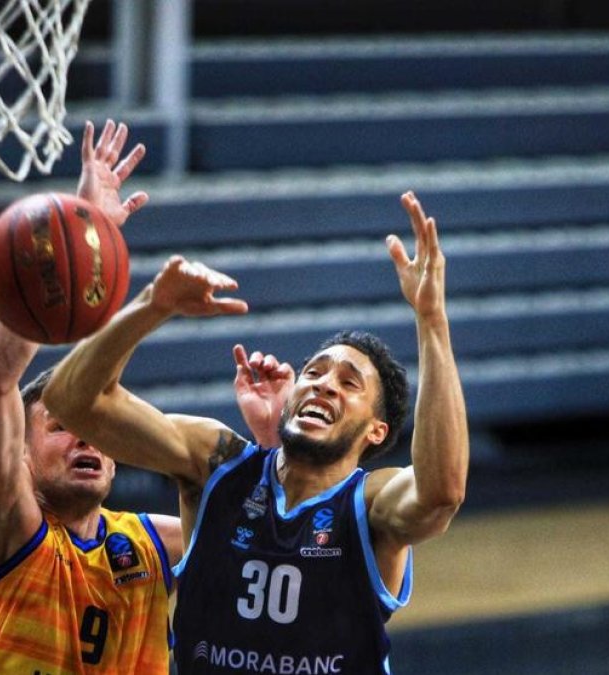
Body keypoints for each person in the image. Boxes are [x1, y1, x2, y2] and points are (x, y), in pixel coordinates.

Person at [43, 187, 469, 673]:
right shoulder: (217, 464)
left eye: (349, 383)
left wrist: (431, 320)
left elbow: (441, 492)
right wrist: (151, 305)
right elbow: (73, 402)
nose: (324, 384)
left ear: (376, 431)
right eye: (314, 372)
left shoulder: (370, 505)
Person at [0, 119, 290, 674]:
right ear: (20, 454)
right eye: (59, 427)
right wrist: (78, 236)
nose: (85, 438)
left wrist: (270, 441)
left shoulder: (149, 545)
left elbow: (263, 548)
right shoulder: (2, 526)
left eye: (94, 431)